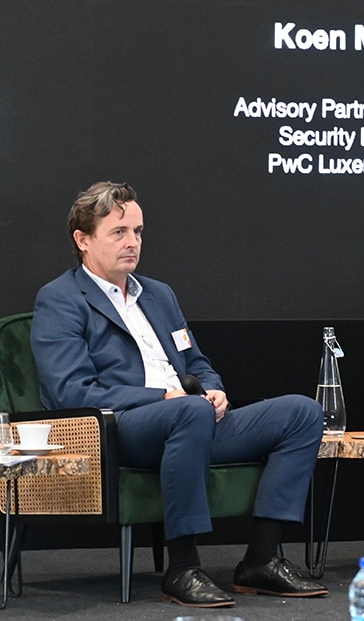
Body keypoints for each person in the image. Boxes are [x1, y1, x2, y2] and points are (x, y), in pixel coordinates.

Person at [31, 181, 328, 608]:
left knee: (302, 412)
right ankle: (183, 568)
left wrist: (214, 390)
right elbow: (70, 391)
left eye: (138, 232)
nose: (132, 242)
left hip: (191, 417)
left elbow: (196, 362)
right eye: (118, 232)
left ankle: (261, 560)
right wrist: (164, 399)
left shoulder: (158, 294)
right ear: (83, 240)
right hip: (119, 429)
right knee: (189, 412)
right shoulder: (60, 299)